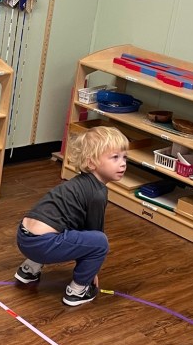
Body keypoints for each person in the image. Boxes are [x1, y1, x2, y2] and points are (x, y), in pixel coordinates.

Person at [14, 125, 129, 306]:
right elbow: (94, 235)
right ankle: (77, 291)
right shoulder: (97, 193)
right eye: (115, 157)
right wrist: (90, 272)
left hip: (23, 236)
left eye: (124, 157)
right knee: (100, 242)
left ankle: (29, 268)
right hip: (42, 245)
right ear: (91, 163)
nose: (122, 163)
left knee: (63, 225)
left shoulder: (76, 184)